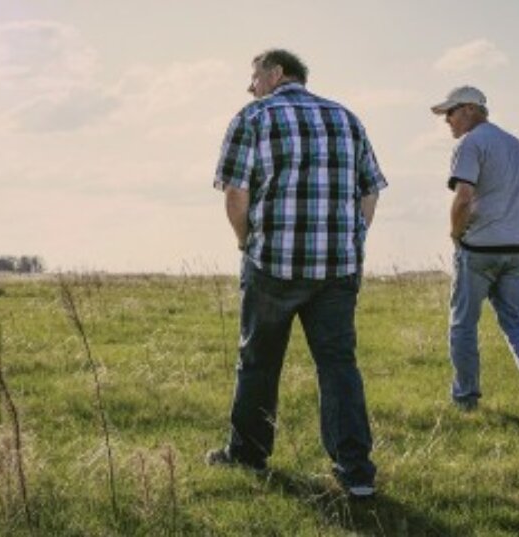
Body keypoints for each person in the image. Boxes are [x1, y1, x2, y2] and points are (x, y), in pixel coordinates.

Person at [206, 49, 388, 498]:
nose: (250, 87)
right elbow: (370, 192)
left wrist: (245, 242)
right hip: (338, 269)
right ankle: (356, 471)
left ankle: (248, 453)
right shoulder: (347, 118)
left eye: (254, 77)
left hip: (273, 265)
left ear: (277, 73)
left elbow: (235, 194)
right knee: (338, 366)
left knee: (259, 362)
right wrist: (352, 240)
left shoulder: (254, 117)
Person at [431, 85, 519, 427]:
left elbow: (463, 197)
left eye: (450, 113)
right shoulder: (518, 146)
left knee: (463, 323)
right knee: (514, 322)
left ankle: (465, 400)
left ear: (469, 110)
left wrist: (456, 235)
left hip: (479, 248)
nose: (447, 121)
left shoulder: (470, 143)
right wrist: (518, 234)